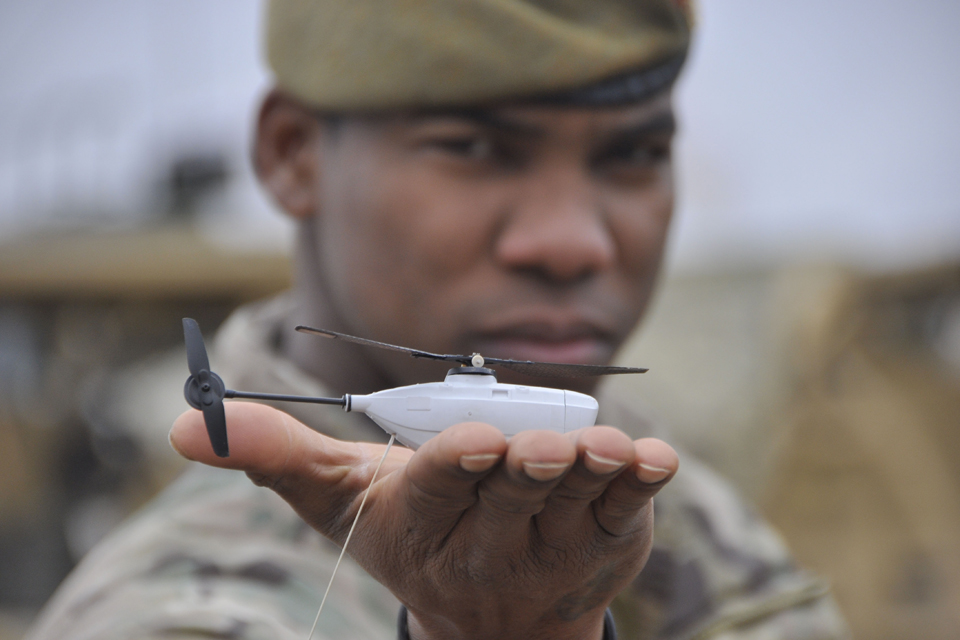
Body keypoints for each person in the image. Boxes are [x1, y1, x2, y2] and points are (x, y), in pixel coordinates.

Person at [27, 1, 850, 639]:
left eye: (631, 156)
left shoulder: (677, 504)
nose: (573, 242)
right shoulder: (175, 607)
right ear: (292, 153)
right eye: (477, 148)